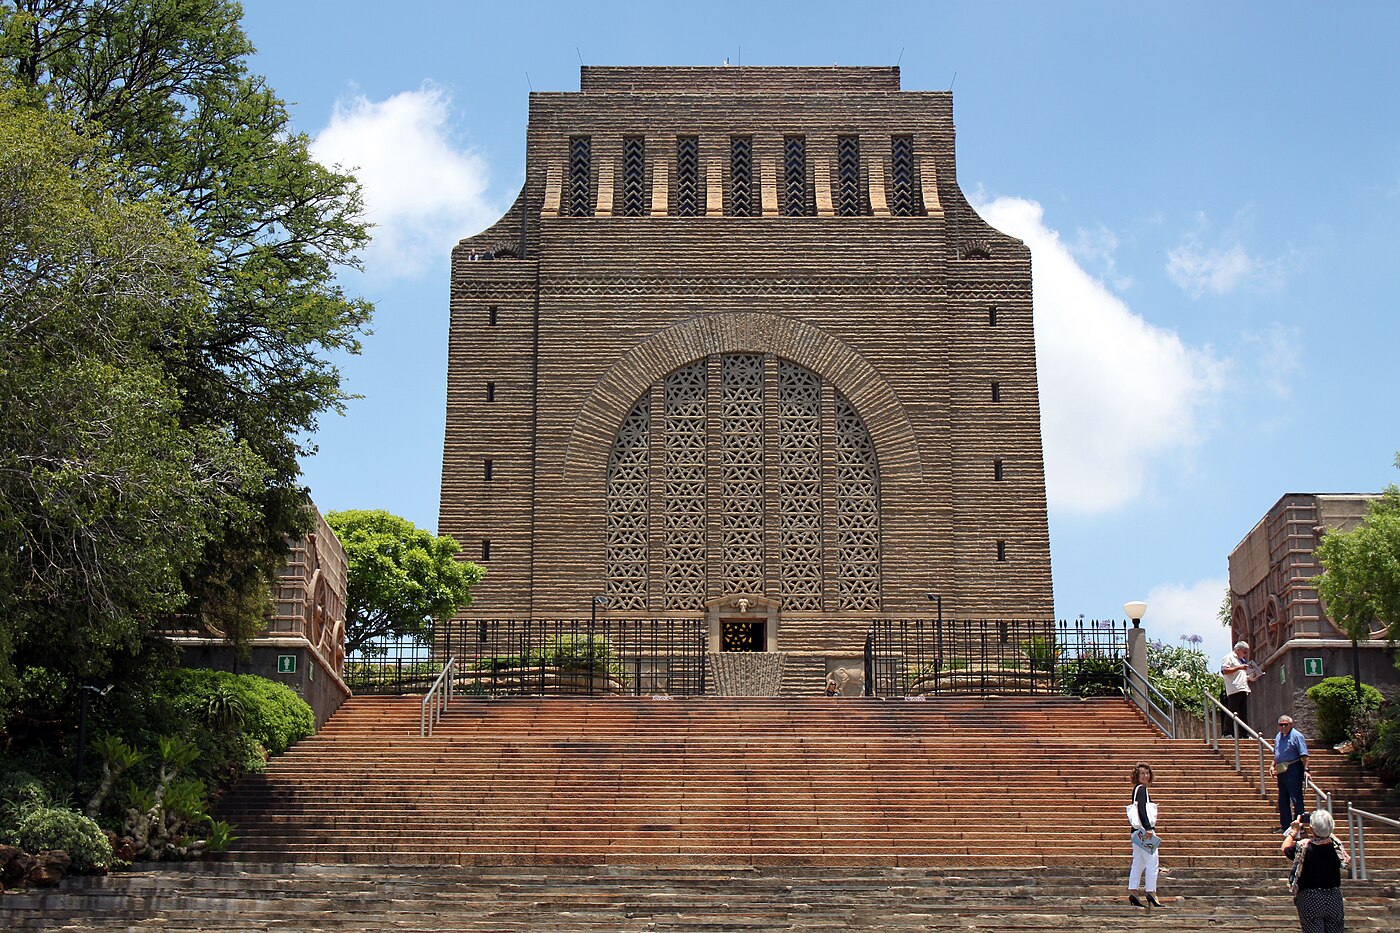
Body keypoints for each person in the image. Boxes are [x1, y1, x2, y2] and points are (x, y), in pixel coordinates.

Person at [1282, 809, 1349, 933]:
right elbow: (1345, 857)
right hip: (1333, 897)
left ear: (1312, 829)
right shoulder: (1336, 847)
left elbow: (1285, 848)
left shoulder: (1304, 847)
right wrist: (1327, 831)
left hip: (1310, 897)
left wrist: (1294, 831)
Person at [1126, 762, 1163, 908]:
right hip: (1144, 831)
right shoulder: (1142, 790)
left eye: (1147, 773)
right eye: (1142, 773)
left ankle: (1133, 892)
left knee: (1138, 862)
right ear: (1137, 775)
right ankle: (1151, 892)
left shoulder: (1136, 789)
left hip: (1136, 832)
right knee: (1152, 862)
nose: (1145, 776)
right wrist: (1148, 828)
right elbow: (1141, 809)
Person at [1272, 715, 1310, 832]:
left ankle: (1300, 826)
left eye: (1286, 724)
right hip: (1281, 768)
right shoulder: (1278, 736)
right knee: (1282, 798)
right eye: (1281, 725)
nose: (1283, 727)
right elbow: (1277, 753)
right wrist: (1272, 765)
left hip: (1293, 767)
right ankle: (1286, 826)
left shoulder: (1297, 736)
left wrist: (1306, 770)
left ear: (1291, 724)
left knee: (1296, 798)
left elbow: (1304, 755)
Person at [1220, 641, 1251, 737]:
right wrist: (1239, 667)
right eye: (1244, 652)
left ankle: (1244, 734)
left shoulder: (1241, 661)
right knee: (1232, 711)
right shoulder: (1229, 657)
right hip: (1234, 688)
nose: (1245, 654)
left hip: (1243, 688)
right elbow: (1224, 670)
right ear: (1238, 650)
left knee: (1243, 713)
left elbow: (1241, 675)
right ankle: (1227, 732)